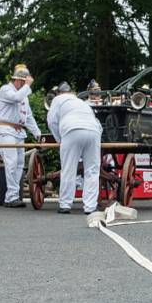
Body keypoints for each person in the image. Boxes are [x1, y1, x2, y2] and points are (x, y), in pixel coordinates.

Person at [46, 82, 103, 214]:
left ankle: (65, 204)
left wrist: (60, 140)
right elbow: (98, 124)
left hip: (72, 130)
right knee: (92, 170)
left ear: (58, 93)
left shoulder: (57, 99)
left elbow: (52, 121)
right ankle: (90, 206)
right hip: (93, 130)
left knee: (68, 169)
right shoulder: (81, 102)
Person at [0, 64, 42, 208]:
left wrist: (38, 133)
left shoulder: (23, 95)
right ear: (16, 80)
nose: (22, 84)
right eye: (21, 82)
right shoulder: (6, 90)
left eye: (24, 82)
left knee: (20, 163)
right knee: (12, 162)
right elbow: (16, 98)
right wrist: (27, 86)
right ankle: (12, 196)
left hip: (19, 132)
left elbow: (28, 117)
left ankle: (12, 196)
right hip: (5, 130)